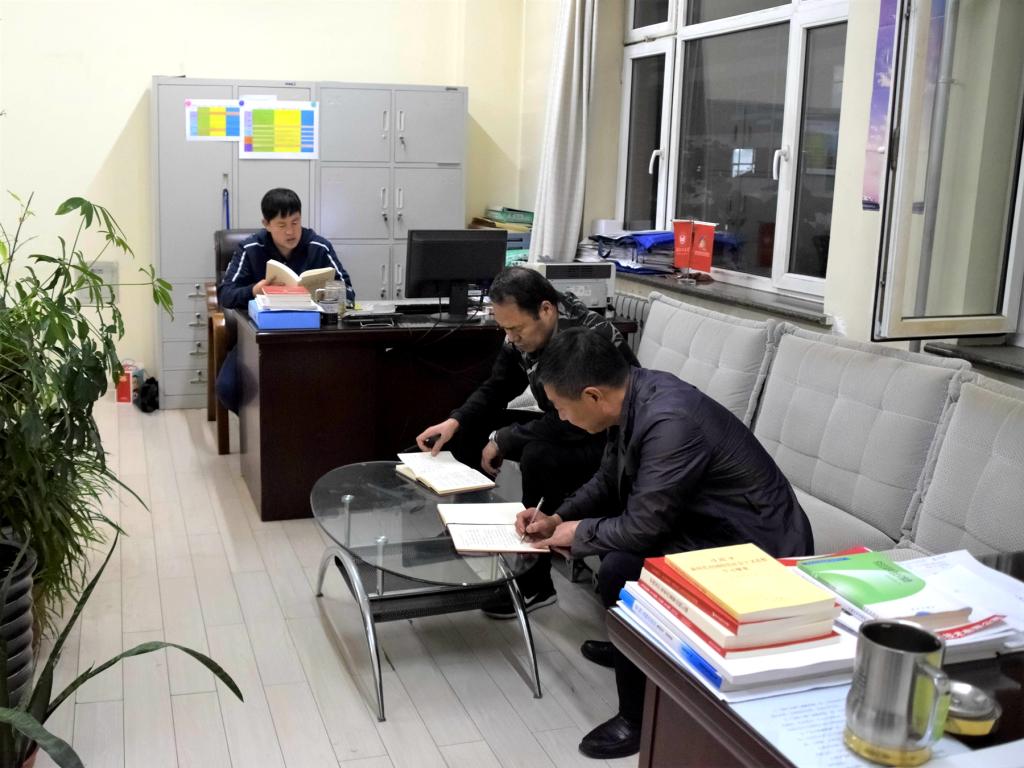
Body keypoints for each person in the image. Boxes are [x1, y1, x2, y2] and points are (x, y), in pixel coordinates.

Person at [519, 327, 813, 760]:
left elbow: (643, 528)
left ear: (592, 396)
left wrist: (578, 534)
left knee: (621, 567)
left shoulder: (669, 421)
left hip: (756, 547)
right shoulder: (631, 397)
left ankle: (636, 718)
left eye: (562, 408)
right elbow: (608, 478)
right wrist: (558, 518)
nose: (561, 419)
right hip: (707, 526)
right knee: (617, 553)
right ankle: (634, 645)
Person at [415, 266, 638, 618]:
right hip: (567, 422)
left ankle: (535, 583)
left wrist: (503, 440)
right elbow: (498, 386)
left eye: (516, 329)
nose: (511, 338)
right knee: (469, 430)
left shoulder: (582, 341)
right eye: (504, 329)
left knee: (538, 455)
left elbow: (577, 420)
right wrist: (455, 421)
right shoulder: (523, 334)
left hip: (608, 441)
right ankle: (466, 533)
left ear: (546, 310)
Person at [215, 188, 355, 412]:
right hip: (259, 338)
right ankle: (256, 428)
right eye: (281, 225)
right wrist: (255, 290)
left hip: (311, 339)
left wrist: (322, 294)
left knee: (341, 382)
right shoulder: (250, 249)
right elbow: (226, 294)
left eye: (295, 222)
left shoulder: (318, 247)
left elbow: (349, 292)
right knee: (228, 388)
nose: (290, 232)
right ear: (266, 224)